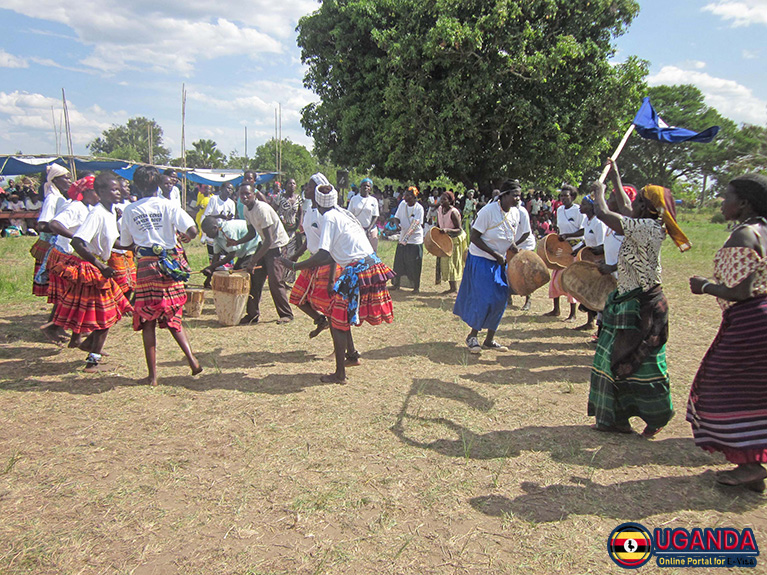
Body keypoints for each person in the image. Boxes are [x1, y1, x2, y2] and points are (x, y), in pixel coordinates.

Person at [588, 162, 690, 437]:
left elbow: (606, 213)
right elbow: (624, 205)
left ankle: (657, 416)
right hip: (629, 302)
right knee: (612, 361)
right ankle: (616, 419)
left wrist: (599, 192)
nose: (633, 203)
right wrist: (617, 174)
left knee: (643, 367)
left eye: (639, 200)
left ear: (646, 207)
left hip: (643, 307)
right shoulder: (645, 221)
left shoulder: (648, 228)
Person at [687, 174, 767, 491]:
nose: (722, 201)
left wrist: (704, 286)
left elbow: (740, 291)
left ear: (744, 203)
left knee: (718, 387)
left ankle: (749, 464)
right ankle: (751, 462)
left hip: (749, 321)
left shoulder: (744, 235)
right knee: (753, 391)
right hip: (758, 319)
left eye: (727, 196)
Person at [280, 173, 394, 383]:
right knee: (337, 317)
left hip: (356, 271)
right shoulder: (343, 213)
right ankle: (351, 357)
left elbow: (325, 255)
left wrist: (295, 265)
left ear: (319, 203)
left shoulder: (329, 217)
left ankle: (340, 374)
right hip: (370, 266)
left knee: (338, 322)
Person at [120, 166, 202, 386]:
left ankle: (153, 376)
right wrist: (181, 236)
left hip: (146, 266)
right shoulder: (169, 206)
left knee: (148, 320)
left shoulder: (130, 210)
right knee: (173, 315)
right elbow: (193, 231)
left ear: (136, 185)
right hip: (170, 265)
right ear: (158, 184)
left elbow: (126, 243)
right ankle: (192, 360)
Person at [52, 172, 133, 371]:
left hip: (100, 267)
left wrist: (133, 247)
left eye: (118, 189)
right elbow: (78, 242)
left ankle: (90, 348)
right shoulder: (96, 213)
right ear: (100, 192)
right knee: (106, 316)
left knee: (108, 315)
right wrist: (101, 265)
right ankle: (92, 359)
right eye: (113, 190)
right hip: (92, 270)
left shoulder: (110, 212)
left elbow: (111, 240)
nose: (118, 193)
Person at [453, 180, 520, 354]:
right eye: (515, 195)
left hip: (499, 261)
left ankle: (489, 339)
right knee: (484, 297)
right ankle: (472, 336)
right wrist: (495, 255)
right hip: (482, 259)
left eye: (519, 195)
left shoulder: (515, 213)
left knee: (500, 298)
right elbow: (474, 237)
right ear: (504, 195)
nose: (518, 198)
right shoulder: (488, 211)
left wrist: (513, 248)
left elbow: (508, 235)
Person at [45, 175, 101, 347]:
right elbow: (54, 224)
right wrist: (76, 237)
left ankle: (70, 333)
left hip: (73, 255)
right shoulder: (75, 207)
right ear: (87, 191)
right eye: (97, 191)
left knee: (72, 296)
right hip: (65, 255)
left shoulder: (87, 208)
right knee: (72, 296)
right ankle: (54, 327)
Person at [228, 184, 293, 324]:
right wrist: (237, 241)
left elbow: (270, 240)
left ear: (254, 195)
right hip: (265, 245)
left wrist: (253, 261)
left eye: (248, 194)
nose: (244, 197)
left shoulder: (262, 209)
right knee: (255, 279)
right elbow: (252, 233)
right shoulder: (246, 209)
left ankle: (286, 314)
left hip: (277, 246)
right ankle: (252, 315)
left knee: (275, 281)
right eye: (242, 194)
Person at [286, 175, 343, 338]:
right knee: (297, 297)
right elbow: (310, 237)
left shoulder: (326, 214)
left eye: (310, 187)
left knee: (331, 308)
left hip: (326, 263)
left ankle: (339, 350)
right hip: (312, 261)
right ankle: (320, 320)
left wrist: (332, 280)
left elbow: (331, 247)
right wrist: (296, 255)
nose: (306, 189)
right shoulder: (309, 209)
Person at [200, 216, 262, 323]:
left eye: (207, 232)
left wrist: (211, 268)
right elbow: (216, 256)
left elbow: (231, 255)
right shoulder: (216, 237)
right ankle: (235, 309)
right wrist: (208, 278)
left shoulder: (227, 230)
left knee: (244, 278)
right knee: (236, 276)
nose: (206, 235)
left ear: (214, 227)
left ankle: (252, 314)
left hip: (254, 248)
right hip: (244, 252)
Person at [30, 164, 72, 304]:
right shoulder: (52, 198)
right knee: (57, 282)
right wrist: (61, 230)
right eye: (66, 178)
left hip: (56, 243)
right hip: (51, 245)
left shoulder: (59, 197)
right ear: (55, 180)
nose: (69, 182)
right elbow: (42, 225)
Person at [545, 184, 586, 321]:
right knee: (556, 277)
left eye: (566, 196)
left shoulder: (579, 210)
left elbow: (583, 230)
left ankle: (572, 314)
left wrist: (568, 235)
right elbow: (560, 227)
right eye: (561, 196)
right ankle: (556, 309)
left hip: (575, 248)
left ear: (572, 197)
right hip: (562, 247)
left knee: (570, 279)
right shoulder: (560, 209)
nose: (563, 198)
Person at [572, 196, 607, 331]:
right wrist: (577, 250)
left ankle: (598, 327)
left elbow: (602, 245)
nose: (580, 206)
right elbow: (586, 240)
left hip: (598, 261)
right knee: (589, 292)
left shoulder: (599, 223)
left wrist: (594, 254)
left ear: (592, 207)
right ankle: (589, 321)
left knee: (597, 293)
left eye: (583, 204)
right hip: (589, 259)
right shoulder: (587, 221)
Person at [391, 187, 424, 293]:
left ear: (414, 197)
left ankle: (415, 287)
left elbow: (415, 225)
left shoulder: (419, 208)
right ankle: (396, 284)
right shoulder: (402, 204)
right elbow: (396, 218)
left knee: (414, 264)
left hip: (414, 241)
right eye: (405, 195)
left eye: (408, 195)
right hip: (403, 239)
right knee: (399, 263)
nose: (405, 197)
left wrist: (405, 239)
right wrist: (397, 225)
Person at [509, 183, 536, 311]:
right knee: (509, 270)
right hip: (513, 244)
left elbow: (526, 232)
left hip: (525, 244)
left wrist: (516, 244)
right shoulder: (508, 210)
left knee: (525, 272)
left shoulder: (522, 211)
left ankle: (528, 300)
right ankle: (508, 297)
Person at [435, 190, 467, 294]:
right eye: (441, 198)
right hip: (445, 239)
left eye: (444, 199)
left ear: (450, 201)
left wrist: (448, 230)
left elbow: (459, 229)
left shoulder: (453, 213)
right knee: (446, 263)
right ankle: (451, 287)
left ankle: (454, 288)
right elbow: (439, 223)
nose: (441, 201)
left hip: (454, 240)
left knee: (452, 263)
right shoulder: (440, 209)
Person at [275, 178, 303, 284]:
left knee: (292, 254)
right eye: (289, 183)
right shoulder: (280, 198)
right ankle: (280, 278)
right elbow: (273, 211)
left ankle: (289, 279)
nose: (292, 185)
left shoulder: (298, 198)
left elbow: (300, 213)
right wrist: (280, 219)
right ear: (285, 185)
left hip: (293, 230)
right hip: (282, 230)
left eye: (294, 183)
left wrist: (300, 224)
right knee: (282, 254)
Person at [348, 178, 380, 252]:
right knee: (357, 249)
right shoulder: (354, 199)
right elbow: (350, 214)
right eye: (364, 185)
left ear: (370, 188)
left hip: (370, 228)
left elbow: (375, 216)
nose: (366, 187)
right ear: (360, 187)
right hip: (357, 228)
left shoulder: (373, 200)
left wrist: (369, 229)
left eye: (368, 186)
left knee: (372, 250)